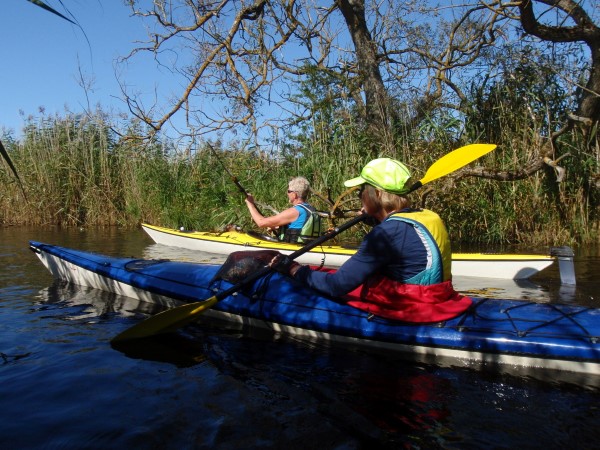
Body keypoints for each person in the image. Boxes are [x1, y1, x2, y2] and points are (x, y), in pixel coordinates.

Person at [276, 158, 472, 323]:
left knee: (322, 276)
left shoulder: (386, 233)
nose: (360, 195)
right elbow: (403, 236)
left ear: (377, 194)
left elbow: (337, 286)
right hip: (439, 295)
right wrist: (377, 217)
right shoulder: (427, 215)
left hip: (412, 303)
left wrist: (295, 270)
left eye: (362, 190)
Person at [245, 176, 321, 243]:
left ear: (294, 195)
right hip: (307, 246)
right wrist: (277, 226)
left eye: (289, 191)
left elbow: (261, 223)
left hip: (292, 248)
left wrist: (250, 204)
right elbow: (301, 227)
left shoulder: (295, 211)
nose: (287, 193)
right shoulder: (311, 210)